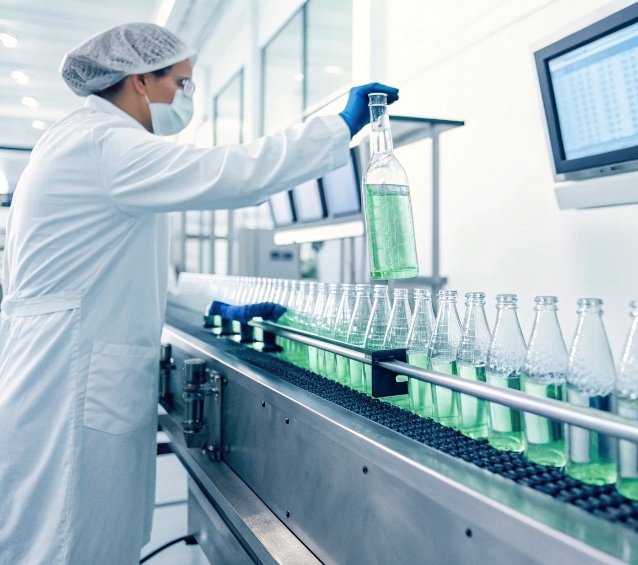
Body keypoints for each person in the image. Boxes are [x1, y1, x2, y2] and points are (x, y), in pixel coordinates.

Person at [0, 22, 398, 564]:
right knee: (66, 543)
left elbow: (116, 275)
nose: (186, 99)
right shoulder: (106, 144)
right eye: (182, 84)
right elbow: (233, 173)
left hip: (60, 367)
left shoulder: (84, 141)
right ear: (141, 80)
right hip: (67, 383)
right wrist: (338, 127)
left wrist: (211, 309)